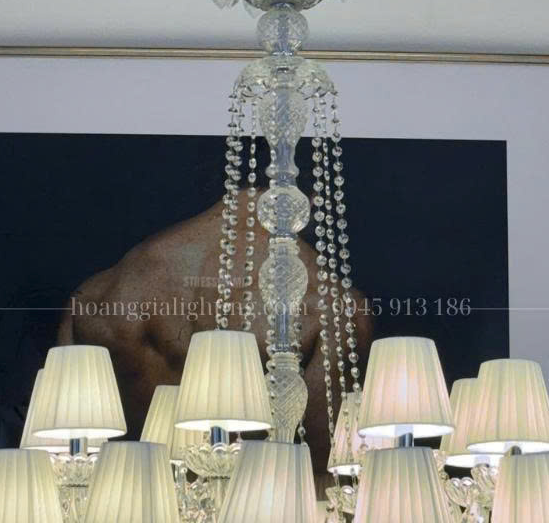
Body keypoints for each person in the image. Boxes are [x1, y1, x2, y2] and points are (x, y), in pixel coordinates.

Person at [58, 195, 374, 468]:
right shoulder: (331, 304)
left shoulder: (100, 293)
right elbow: (324, 469)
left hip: (132, 509)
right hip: (259, 513)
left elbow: (64, 452)